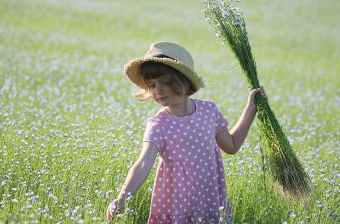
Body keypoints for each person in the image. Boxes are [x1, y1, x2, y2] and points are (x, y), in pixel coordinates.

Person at [106, 41, 267, 223]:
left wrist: (251, 109)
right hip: (176, 206)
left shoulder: (209, 111)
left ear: (184, 80)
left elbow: (231, 145)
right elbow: (143, 164)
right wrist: (122, 198)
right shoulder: (158, 124)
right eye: (151, 85)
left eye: (165, 83)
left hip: (209, 201)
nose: (157, 90)